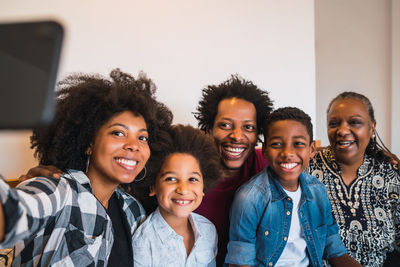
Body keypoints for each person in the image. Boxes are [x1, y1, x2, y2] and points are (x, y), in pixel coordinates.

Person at [0, 69, 173, 266]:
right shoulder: (58, 190)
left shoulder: (133, 211)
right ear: (89, 143)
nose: (134, 145)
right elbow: (12, 213)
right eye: (118, 133)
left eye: (142, 137)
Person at [225, 107, 361, 267]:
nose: (288, 152)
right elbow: (240, 261)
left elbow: (335, 249)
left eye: (298, 144)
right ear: (265, 150)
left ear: (311, 150)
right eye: (276, 144)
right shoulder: (249, 198)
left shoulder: (318, 191)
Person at [307, 92, 400, 267]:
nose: (342, 130)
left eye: (355, 122)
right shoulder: (307, 171)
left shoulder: (390, 174)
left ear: (372, 128)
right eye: (334, 123)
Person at [193, 75, 273, 265]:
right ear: (208, 128)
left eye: (248, 127)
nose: (237, 136)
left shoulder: (268, 164)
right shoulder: (187, 173)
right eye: (225, 125)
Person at [131, 124, 222, 266]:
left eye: (192, 179)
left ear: (204, 185)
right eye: (171, 179)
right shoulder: (143, 242)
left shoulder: (208, 230)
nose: (183, 189)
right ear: (152, 186)